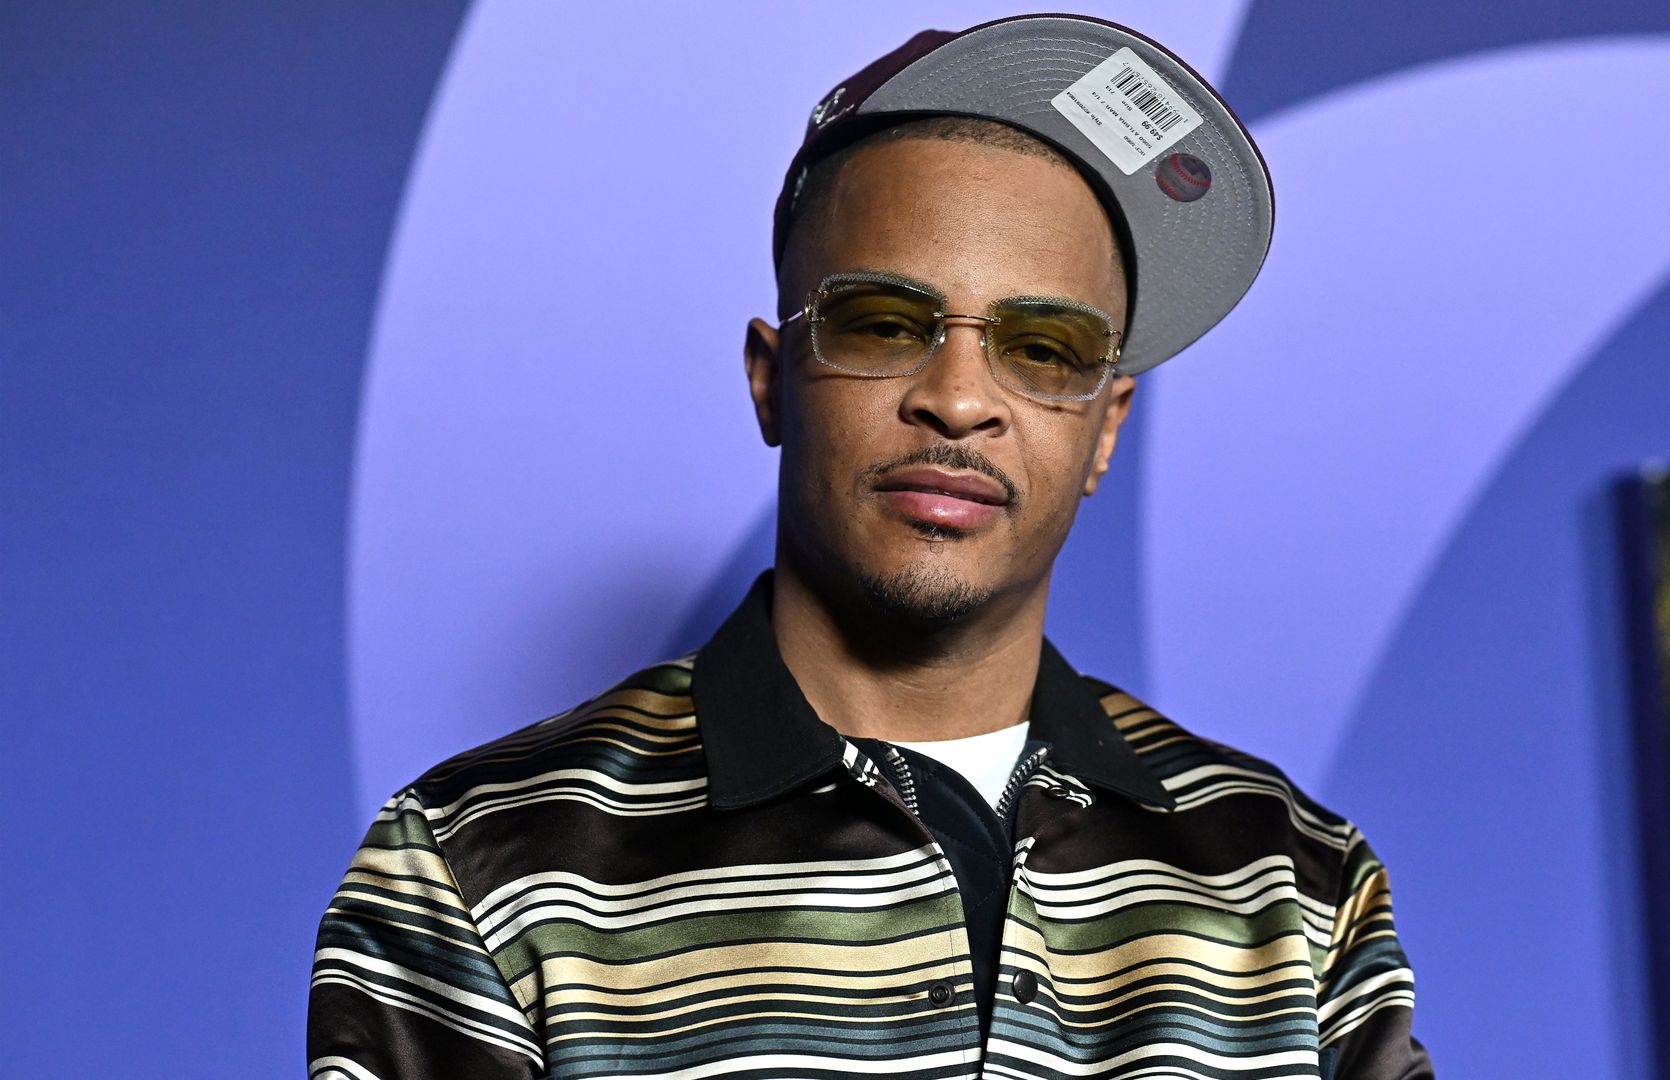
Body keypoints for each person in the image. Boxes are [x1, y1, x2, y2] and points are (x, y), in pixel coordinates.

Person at [308, 14, 1432, 1079]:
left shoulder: (1290, 874)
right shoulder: (477, 862)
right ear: (771, 380)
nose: (957, 399)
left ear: (1106, 428)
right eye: (885, 325)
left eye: (1043, 347)